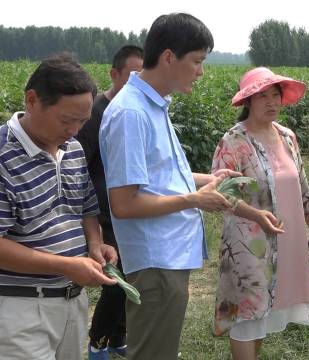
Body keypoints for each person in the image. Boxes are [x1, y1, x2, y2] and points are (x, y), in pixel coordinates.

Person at [0, 54, 118, 360]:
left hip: (71, 302)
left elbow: (85, 204)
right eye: (66, 119)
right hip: (16, 310)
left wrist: (95, 244)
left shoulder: (71, 149)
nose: (74, 130)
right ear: (32, 100)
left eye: (82, 121)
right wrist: (66, 265)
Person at [99, 13, 238, 360]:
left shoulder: (153, 107)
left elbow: (160, 179)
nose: (201, 71)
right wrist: (194, 199)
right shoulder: (132, 114)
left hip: (169, 256)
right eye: (197, 61)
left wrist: (212, 180)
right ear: (168, 57)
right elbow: (125, 203)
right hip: (155, 259)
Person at [212, 67, 309, 360]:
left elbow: (302, 185)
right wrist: (257, 215)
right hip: (248, 243)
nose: (272, 102)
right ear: (248, 100)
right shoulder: (234, 140)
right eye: (263, 96)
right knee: (247, 314)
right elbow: (220, 191)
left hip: (286, 240)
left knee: (265, 312)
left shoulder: (287, 136)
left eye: (276, 95)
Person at [76, 44, 143, 360]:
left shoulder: (135, 112)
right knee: (117, 281)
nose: (136, 82)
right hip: (102, 214)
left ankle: (117, 339)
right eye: (130, 75)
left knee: (130, 276)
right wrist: (91, 225)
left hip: (129, 210)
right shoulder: (94, 114)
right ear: (114, 74)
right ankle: (97, 341)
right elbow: (79, 170)